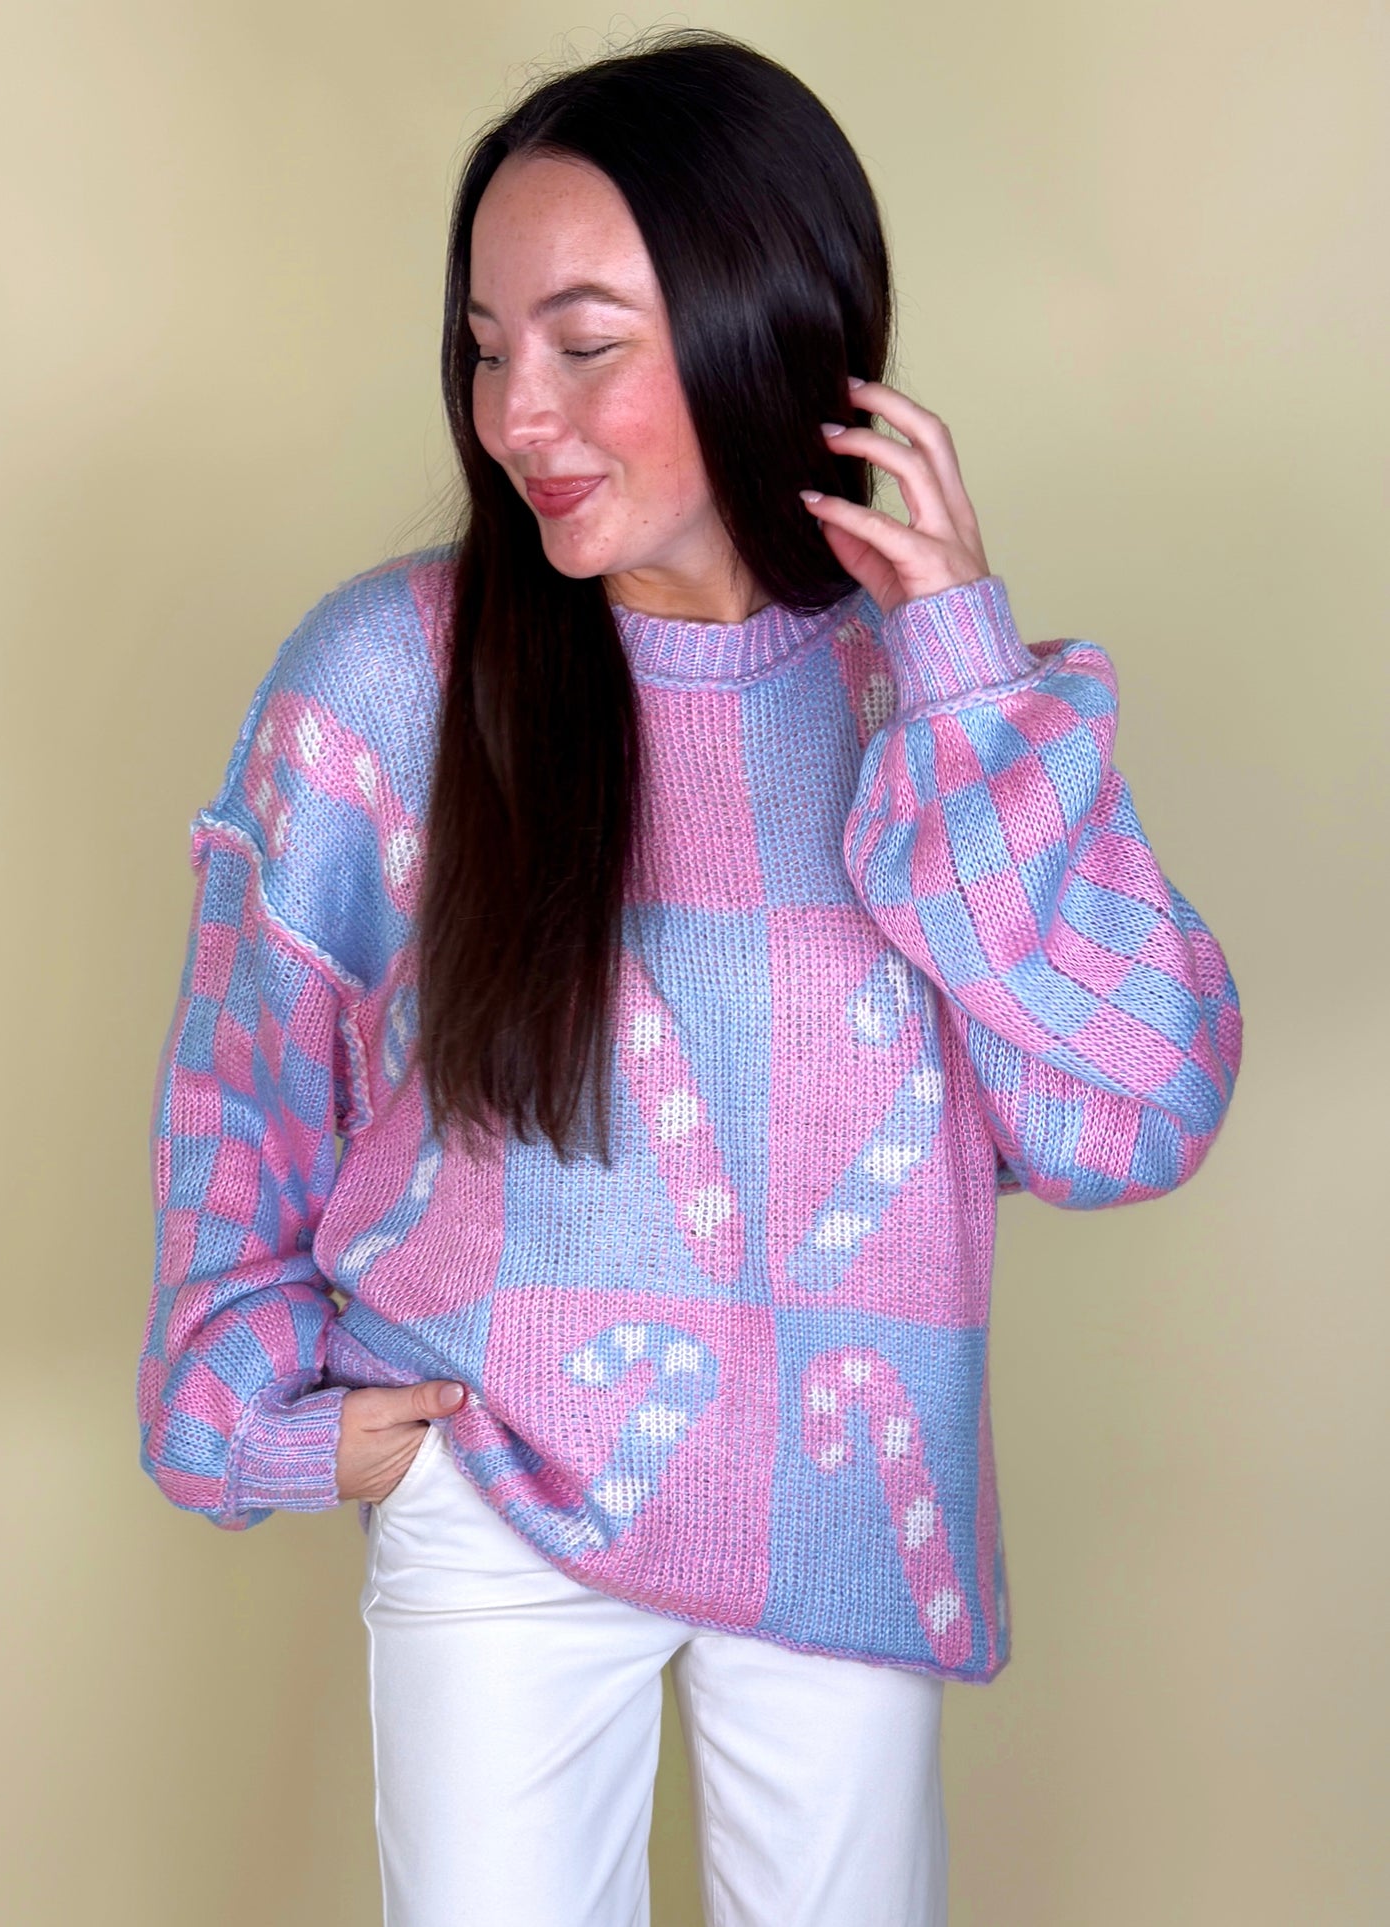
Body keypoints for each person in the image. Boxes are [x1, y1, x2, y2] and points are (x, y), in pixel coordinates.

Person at [135, 27, 1243, 1927]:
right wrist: (257, 1412)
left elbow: (1129, 1114)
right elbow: (249, 1078)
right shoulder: (390, 680)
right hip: (487, 1477)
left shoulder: (921, 701)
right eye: (487, 347)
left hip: (848, 1500)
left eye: (584, 345)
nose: (518, 415)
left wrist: (970, 680)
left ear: (759, 330)